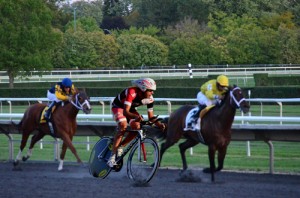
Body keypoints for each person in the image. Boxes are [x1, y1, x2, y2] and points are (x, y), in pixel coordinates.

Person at [107, 77, 166, 167]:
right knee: (123, 126)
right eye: (150, 90)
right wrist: (136, 117)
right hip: (118, 107)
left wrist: (159, 124)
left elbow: (151, 117)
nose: (152, 93)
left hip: (130, 109)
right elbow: (126, 112)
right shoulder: (132, 92)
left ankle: (121, 146)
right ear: (143, 89)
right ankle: (112, 157)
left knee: (137, 127)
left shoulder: (150, 99)